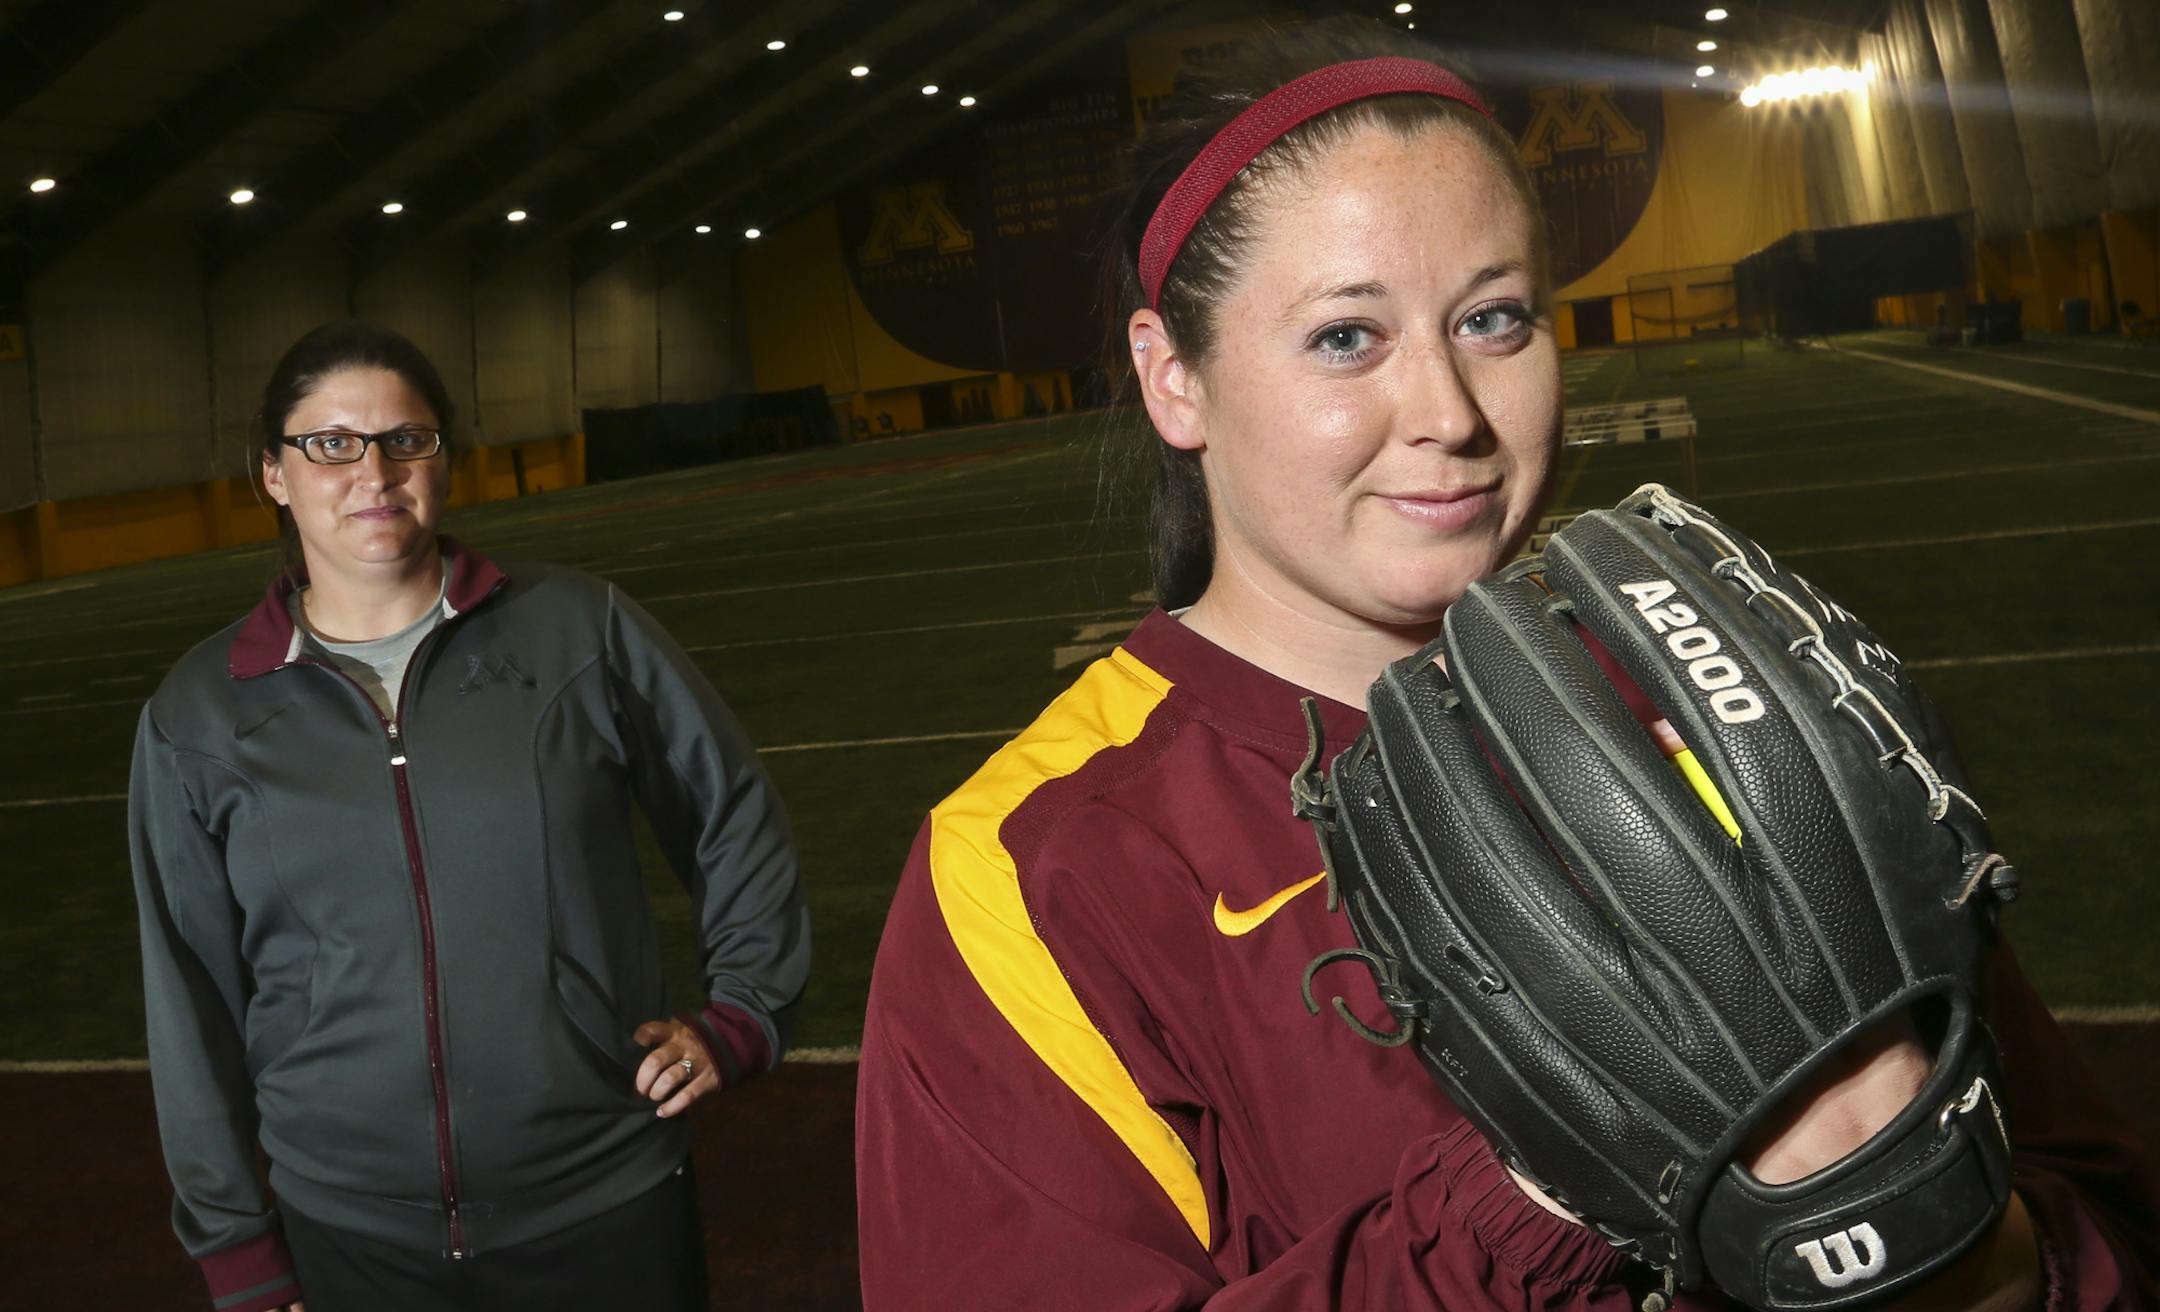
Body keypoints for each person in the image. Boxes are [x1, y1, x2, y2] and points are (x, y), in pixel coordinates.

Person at [853, 22, 2157, 1310]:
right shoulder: (1032, 870)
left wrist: (1948, 1248)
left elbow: (2105, 1221)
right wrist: (1540, 1190)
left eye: (1493, 318)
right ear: (1173, 376)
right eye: (1345, 338)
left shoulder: (1726, 698)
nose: (1450, 414)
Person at [128, 320, 808, 1312]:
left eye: (406, 439)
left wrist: (746, 1009)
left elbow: (731, 809)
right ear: (273, 473)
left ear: (442, 459)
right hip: (353, 1232)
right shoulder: (199, 714)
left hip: (602, 1198)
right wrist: (237, 1249)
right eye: (330, 443)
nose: (372, 470)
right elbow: (188, 994)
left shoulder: (581, 630)